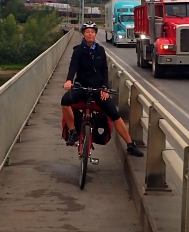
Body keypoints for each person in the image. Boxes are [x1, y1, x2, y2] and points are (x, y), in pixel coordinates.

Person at [61, 22, 144, 157]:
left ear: (95, 34)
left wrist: (105, 88)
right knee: (65, 101)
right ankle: (72, 132)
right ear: (83, 34)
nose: (90, 34)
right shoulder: (78, 50)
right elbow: (73, 67)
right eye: (87, 32)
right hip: (81, 87)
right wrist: (69, 80)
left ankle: (130, 145)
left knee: (115, 115)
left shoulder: (100, 50)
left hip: (98, 89)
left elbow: (104, 70)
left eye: (92, 32)